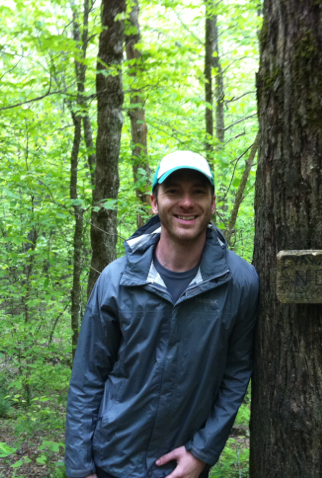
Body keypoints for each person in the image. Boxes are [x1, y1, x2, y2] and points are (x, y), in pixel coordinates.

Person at [65, 151, 259, 478]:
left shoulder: (239, 282)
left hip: (179, 468)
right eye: (173, 191)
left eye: (198, 192)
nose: (186, 202)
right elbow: (87, 379)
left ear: (212, 203)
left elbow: (237, 373)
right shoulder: (116, 280)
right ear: (154, 202)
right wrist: (81, 468)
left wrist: (202, 451)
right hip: (110, 462)